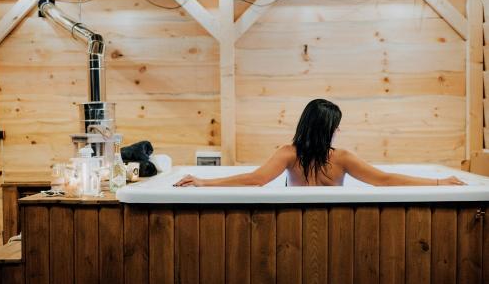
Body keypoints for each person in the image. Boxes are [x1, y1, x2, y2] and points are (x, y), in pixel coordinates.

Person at [175, 99, 465, 187]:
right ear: (331, 129)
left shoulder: (288, 154)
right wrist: (439, 183)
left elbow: (255, 179)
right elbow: (384, 179)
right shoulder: (343, 158)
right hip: (335, 221)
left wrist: (205, 182)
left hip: (293, 223)